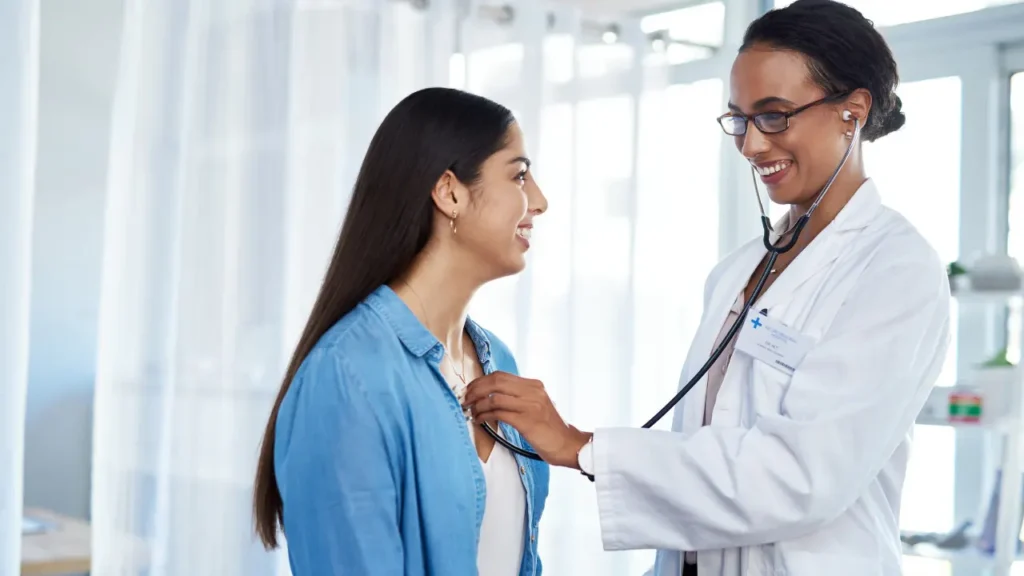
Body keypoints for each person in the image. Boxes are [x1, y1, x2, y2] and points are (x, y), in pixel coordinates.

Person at [463, 1, 951, 575]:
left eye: (774, 116)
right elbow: (706, 451)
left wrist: (580, 446)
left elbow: (800, 476)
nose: (750, 145)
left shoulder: (895, 270)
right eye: (739, 120)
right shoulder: (738, 271)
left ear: (853, 111)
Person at [252, 87, 550, 576]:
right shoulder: (345, 377)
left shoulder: (498, 360)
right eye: (519, 175)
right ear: (450, 191)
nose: (539, 200)